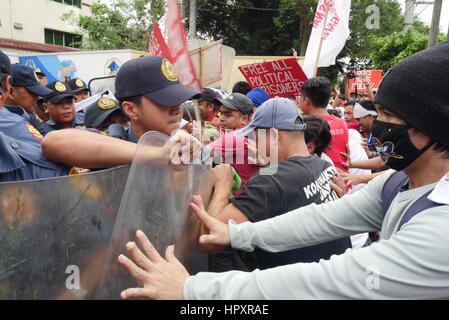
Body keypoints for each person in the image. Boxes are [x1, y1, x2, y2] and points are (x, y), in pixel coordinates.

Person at [117, 41, 449, 300]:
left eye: (389, 116)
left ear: (431, 127)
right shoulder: (398, 181)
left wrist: (192, 291)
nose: (377, 127)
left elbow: (331, 280)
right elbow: (324, 220)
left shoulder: (440, 227)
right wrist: (237, 235)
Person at [203, 98, 351, 272]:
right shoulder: (326, 167)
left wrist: (222, 185)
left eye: (255, 138)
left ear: (274, 136)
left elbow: (211, 239)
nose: (254, 145)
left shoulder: (270, 182)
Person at [107, 55, 200, 143]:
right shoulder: (113, 157)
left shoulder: (189, 151)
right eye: (166, 101)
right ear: (130, 109)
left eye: (179, 100)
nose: (177, 110)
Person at [298, 77, 350, 173]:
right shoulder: (341, 123)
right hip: (344, 181)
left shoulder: (305, 126)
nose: (298, 100)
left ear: (306, 100)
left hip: (321, 183)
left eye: (300, 97)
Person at [2, 64, 52, 136]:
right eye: (32, 92)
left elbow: (47, 133)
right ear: (11, 92)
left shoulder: (29, 113)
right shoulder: (4, 120)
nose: (37, 97)